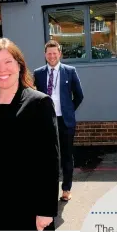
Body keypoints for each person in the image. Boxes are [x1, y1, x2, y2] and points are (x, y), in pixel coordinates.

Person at [0, 38, 59, 231]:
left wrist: (46, 210)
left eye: (8, 62)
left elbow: (50, 160)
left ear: (19, 66)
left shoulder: (39, 103)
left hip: (28, 206)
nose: (1, 69)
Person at [34, 40, 84, 201]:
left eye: (55, 53)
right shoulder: (38, 73)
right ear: (45, 55)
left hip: (65, 122)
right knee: (48, 157)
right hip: (46, 122)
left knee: (67, 156)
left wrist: (68, 110)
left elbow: (79, 96)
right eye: (49, 53)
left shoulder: (70, 71)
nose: (52, 56)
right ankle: (49, 188)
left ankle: (66, 189)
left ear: (60, 54)